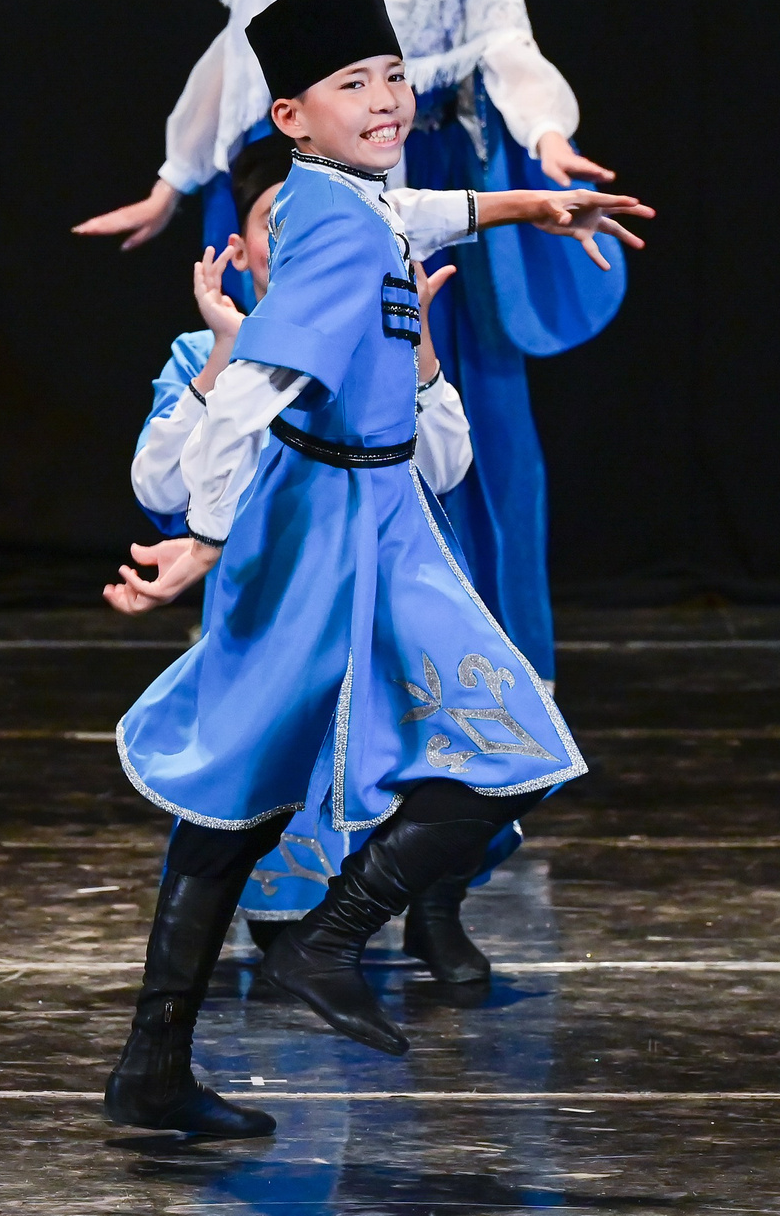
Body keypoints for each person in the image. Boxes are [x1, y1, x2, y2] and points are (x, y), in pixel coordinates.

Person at [99, 0, 646, 1138]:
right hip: (333, 521)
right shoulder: (342, 228)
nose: (387, 98)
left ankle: (163, 1057)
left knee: (257, 795)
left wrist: (523, 206)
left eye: (394, 75)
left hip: (371, 510)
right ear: (292, 116)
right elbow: (257, 380)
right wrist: (202, 535)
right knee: (503, 752)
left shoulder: (335, 201)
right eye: (353, 84)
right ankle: (320, 942)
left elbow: (419, 213)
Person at [74, 0, 619, 678]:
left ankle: (455, 664)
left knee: (432, 411)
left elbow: (502, 51)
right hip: (310, 174)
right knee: (292, 388)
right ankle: (286, 643)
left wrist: (544, 146)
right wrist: (174, 178)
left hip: (418, 163)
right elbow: (235, 55)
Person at [120, 131, 607, 983]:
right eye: (273, 224)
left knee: (449, 755)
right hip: (277, 614)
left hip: (380, 603)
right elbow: (158, 483)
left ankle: (427, 911)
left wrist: (421, 349)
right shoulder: (208, 353)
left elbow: (444, 466)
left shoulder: (374, 332)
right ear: (244, 246)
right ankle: (212, 995)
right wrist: (226, 355)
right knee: (255, 793)